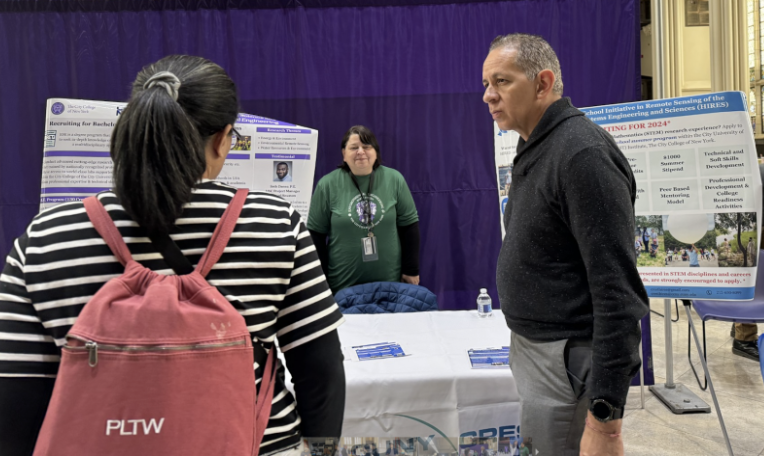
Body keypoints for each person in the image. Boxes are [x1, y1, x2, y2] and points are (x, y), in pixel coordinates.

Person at [0, 56, 345, 456]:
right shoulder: (275, 222)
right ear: (222, 139)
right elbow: (321, 371)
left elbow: (17, 399)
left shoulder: (44, 237)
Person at [484, 34, 648, 456]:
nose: (488, 95)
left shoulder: (581, 154)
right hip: (538, 351)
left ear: (542, 83)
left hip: (565, 361)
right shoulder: (536, 144)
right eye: (486, 84)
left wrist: (605, 419)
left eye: (501, 81)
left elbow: (618, 292)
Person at [307, 125, 421, 293]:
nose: (361, 152)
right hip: (342, 287)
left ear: (376, 152)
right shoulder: (327, 185)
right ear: (344, 154)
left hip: (391, 284)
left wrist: (411, 270)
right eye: (354, 147)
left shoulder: (394, 179)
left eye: (366, 146)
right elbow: (315, 235)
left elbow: (409, 226)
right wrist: (320, 281)